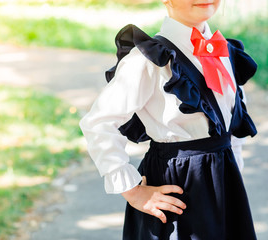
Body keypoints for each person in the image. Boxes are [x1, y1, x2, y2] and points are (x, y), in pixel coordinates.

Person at [79, 0, 258, 239]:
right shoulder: (148, 59)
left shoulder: (225, 51)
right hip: (177, 189)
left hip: (223, 183)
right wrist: (133, 192)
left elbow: (231, 122)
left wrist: (232, 169)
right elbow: (98, 122)